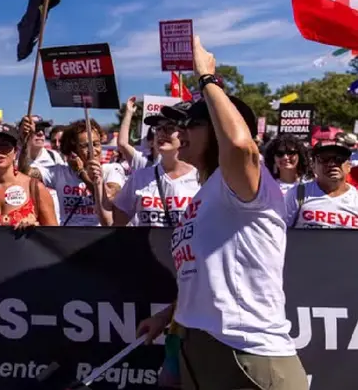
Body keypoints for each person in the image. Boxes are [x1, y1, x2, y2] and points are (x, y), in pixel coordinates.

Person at [137, 37, 307, 390]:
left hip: (249, 357)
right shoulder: (204, 197)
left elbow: (242, 145)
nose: (180, 133)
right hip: (198, 349)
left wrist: (207, 78)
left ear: (219, 129)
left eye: (193, 124)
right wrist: (168, 315)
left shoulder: (244, 183)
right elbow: (205, 277)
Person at [21, 117, 125, 226]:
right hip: (69, 237)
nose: (93, 150)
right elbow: (25, 172)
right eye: (85, 146)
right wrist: (25, 141)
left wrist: (81, 173)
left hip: (98, 237)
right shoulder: (60, 172)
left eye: (96, 144)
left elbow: (108, 197)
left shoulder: (112, 169)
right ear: (73, 150)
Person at [112, 105, 199, 227]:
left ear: (185, 134)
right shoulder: (139, 177)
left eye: (169, 128)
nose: (161, 133)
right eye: (158, 128)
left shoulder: (202, 178)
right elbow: (118, 223)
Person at [286, 138, 358, 229]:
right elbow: (280, 232)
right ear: (313, 165)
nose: (332, 164)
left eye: (339, 159)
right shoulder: (298, 193)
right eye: (325, 158)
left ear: (349, 165)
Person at [117, 96, 159, 171]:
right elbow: (122, 144)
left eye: (169, 130)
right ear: (151, 143)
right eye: (158, 131)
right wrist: (129, 113)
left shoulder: (183, 166)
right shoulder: (143, 162)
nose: (164, 135)